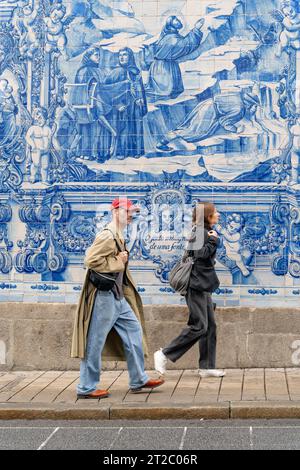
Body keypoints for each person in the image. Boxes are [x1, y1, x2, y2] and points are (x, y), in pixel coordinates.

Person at [71, 197, 164, 398]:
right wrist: (118, 261)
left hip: (118, 297)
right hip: (105, 297)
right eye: (127, 212)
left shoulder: (118, 234)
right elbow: (90, 260)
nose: (130, 216)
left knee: (134, 332)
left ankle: (139, 379)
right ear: (115, 212)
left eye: (132, 213)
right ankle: (86, 387)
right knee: (94, 341)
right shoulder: (107, 235)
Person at [154, 202, 226, 378]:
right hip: (195, 285)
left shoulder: (203, 231)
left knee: (210, 326)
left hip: (203, 285)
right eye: (215, 212)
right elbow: (199, 254)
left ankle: (207, 366)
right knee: (199, 326)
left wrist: (213, 239)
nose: (218, 215)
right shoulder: (199, 232)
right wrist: (214, 240)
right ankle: (164, 354)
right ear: (208, 216)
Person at [145, 16, 204, 101]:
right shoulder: (171, 38)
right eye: (176, 20)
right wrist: (196, 29)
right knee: (166, 92)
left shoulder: (172, 36)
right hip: (163, 69)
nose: (179, 21)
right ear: (170, 23)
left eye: (178, 19)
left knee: (172, 92)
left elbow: (184, 43)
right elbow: (185, 45)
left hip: (166, 66)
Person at [105, 47, 148, 159]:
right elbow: (106, 90)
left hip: (135, 104)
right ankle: (121, 152)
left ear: (130, 57)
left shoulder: (136, 71)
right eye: (120, 55)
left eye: (125, 55)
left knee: (135, 126)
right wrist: (117, 104)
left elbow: (140, 88)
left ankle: (136, 151)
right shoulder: (115, 72)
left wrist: (140, 99)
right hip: (121, 105)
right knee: (123, 127)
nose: (122, 57)